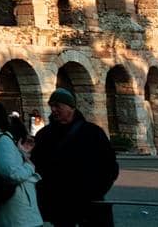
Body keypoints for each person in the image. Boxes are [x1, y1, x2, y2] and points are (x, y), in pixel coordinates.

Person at [31, 89, 118, 227]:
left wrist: (95, 191)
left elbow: (110, 166)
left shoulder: (93, 133)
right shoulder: (44, 135)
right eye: (51, 106)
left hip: (89, 202)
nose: (53, 110)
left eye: (58, 106)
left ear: (71, 107)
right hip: (58, 204)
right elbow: (37, 166)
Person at [0, 100, 42, 227]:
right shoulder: (3, 139)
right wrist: (29, 167)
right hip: (19, 210)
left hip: (0, 205)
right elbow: (12, 173)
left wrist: (22, 153)